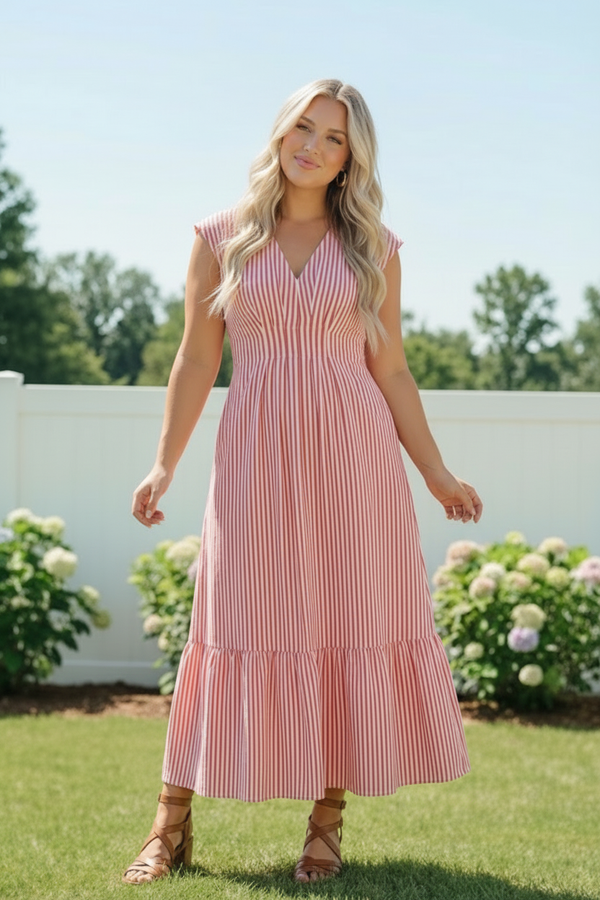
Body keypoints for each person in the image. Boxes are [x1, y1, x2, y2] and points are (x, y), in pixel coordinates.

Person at [124, 78, 483, 886]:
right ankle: (171, 821)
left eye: (335, 137)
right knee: (228, 620)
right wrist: (163, 463)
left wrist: (435, 472)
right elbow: (196, 359)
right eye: (304, 127)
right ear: (280, 133)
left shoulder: (374, 248)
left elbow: (389, 368)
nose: (313, 146)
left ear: (352, 158)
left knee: (340, 624)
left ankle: (326, 823)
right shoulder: (222, 237)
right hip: (255, 456)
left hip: (354, 462)